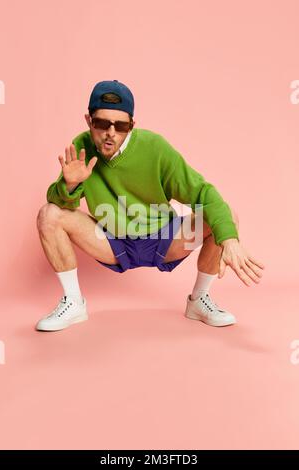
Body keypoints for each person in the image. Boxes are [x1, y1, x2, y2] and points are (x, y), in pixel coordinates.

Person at [36, 80, 265, 331]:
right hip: (112, 241)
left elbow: (203, 192)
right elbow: (57, 201)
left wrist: (229, 239)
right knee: (49, 214)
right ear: (89, 121)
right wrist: (69, 186)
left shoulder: (154, 148)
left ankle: (199, 299)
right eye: (102, 123)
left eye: (120, 125)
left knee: (224, 215)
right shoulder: (81, 147)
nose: (111, 132)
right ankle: (73, 302)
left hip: (164, 240)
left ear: (132, 125)